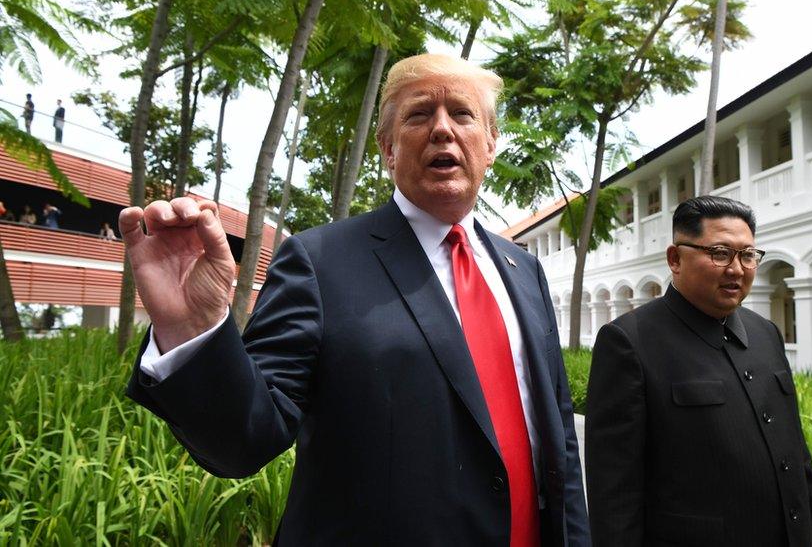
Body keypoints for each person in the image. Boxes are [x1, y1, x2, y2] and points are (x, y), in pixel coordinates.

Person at [120, 54, 589, 546]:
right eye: (419, 114)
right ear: (388, 148)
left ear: (490, 144)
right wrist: (194, 330)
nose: (443, 129)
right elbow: (244, 442)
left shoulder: (524, 270)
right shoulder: (318, 262)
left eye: (463, 114)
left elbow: (559, 442)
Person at [585, 196, 812, 547]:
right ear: (675, 259)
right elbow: (614, 489)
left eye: (748, 255)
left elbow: (793, 447)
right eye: (719, 253)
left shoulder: (766, 333)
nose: (737, 268)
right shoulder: (629, 342)